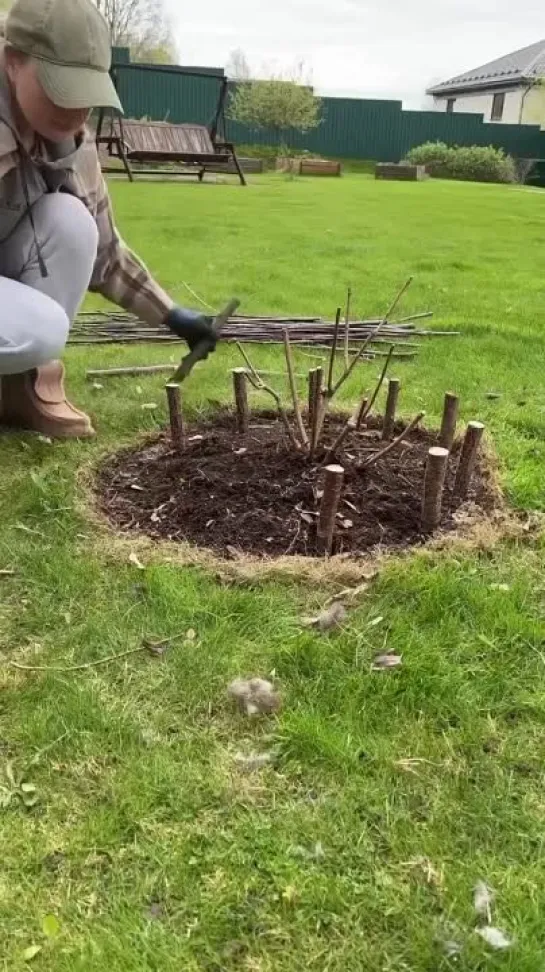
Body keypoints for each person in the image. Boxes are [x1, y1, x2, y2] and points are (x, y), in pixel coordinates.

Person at [0, 0, 216, 438]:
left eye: (86, 90)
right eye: (61, 87)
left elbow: (104, 253)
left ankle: (17, 391)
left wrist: (171, 314)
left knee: (73, 221)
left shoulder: (72, 143)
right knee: (40, 328)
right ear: (11, 63)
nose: (77, 108)